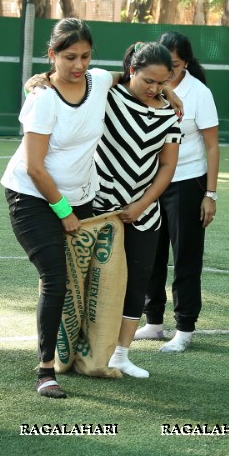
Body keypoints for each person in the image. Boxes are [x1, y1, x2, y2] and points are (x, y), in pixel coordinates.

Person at [1, 18, 114, 398]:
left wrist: (169, 92)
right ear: (52, 55)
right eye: (69, 57)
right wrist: (64, 211)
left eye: (84, 56)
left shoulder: (99, 80)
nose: (78, 65)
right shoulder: (43, 99)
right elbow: (34, 166)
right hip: (32, 198)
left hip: (82, 196)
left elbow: (130, 74)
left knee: (79, 280)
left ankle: (79, 356)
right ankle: (46, 370)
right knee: (55, 278)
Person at [93, 42, 181, 377]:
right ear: (132, 70)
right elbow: (81, 79)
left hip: (144, 214)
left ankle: (121, 355)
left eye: (162, 83)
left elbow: (167, 167)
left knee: (136, 282)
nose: (154, 88)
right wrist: (39, 79)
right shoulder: (108, 96)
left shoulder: (169, 114)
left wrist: (141, 204)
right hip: (99, 209)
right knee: (93, 281)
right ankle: (81, 350)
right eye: (148, 80)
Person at [136, 31, 219, 353]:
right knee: (150, 254)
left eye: (175, 65)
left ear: (185, 63)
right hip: (150, 181)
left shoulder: (199, 93)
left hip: (188, 181)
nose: (167, 73)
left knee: (185, 256)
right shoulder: (148, 87)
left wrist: (210, 195)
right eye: (163, 65)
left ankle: (184, 327)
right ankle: (153, 322)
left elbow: (212, 146)